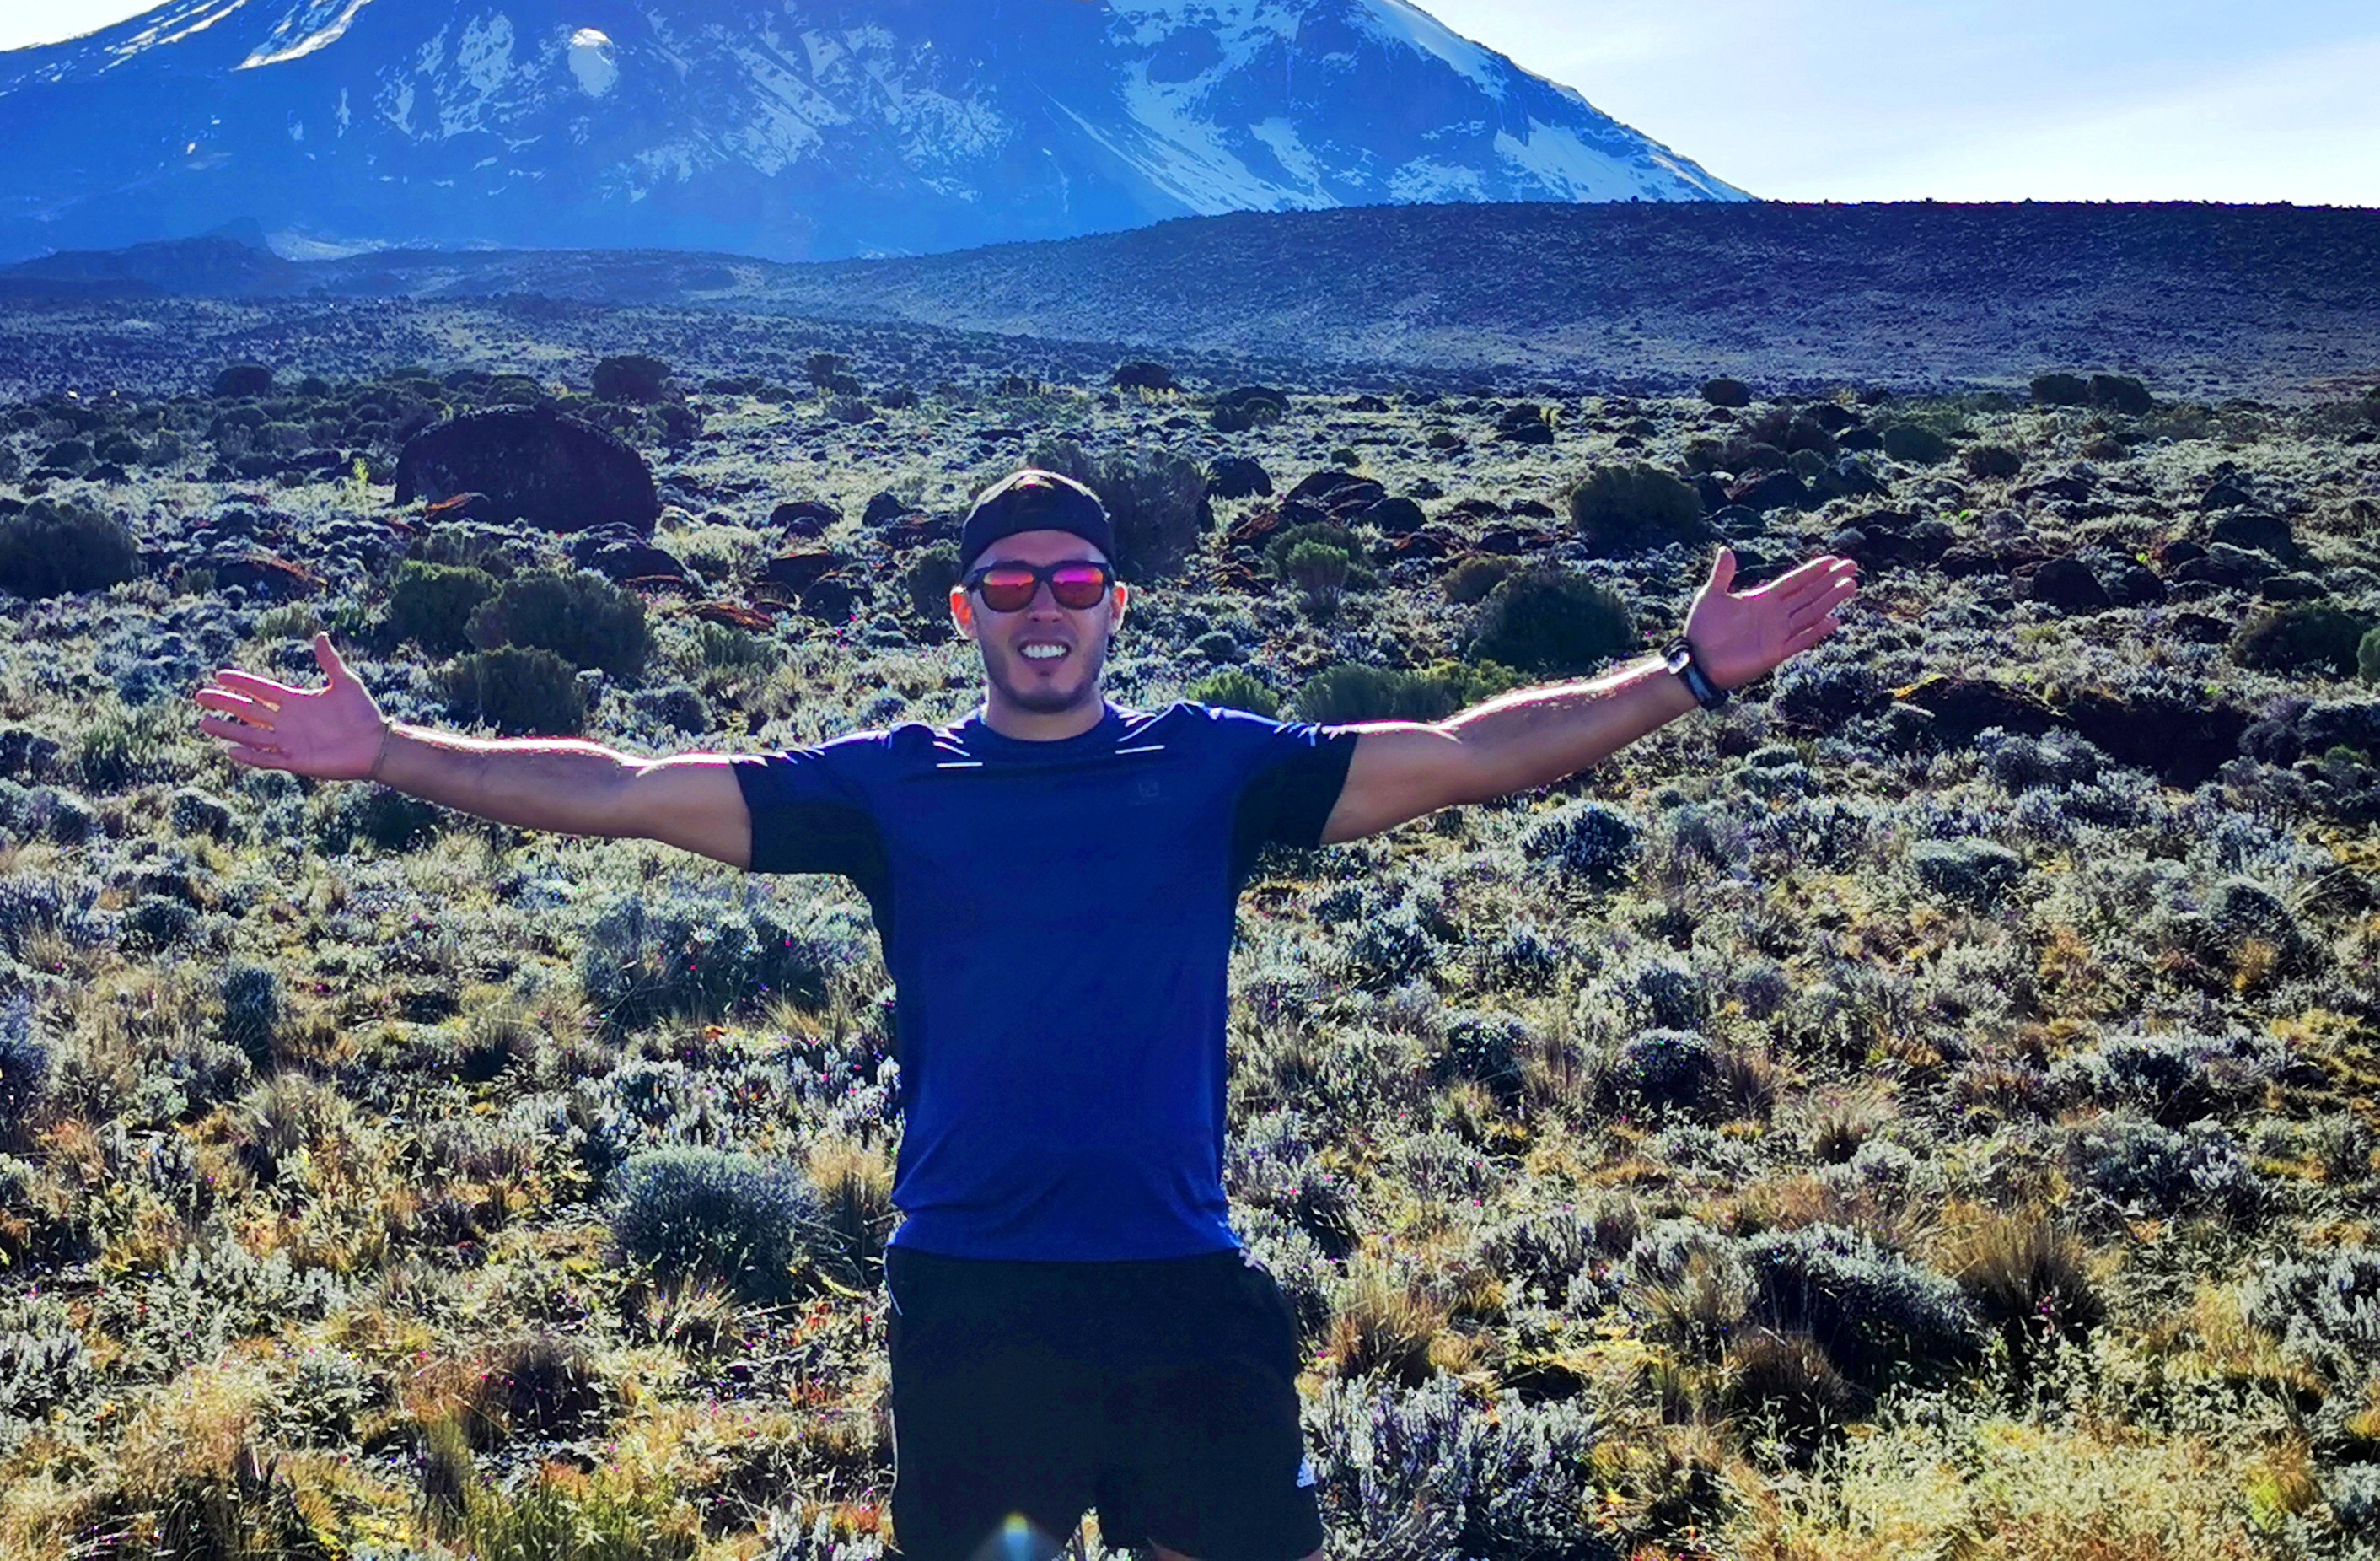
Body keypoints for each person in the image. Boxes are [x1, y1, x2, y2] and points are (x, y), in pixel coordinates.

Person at [195, 468, 1860, 1561]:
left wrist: (1684, 677)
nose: (1044, 604)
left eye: (1074, 577)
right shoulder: (893, 789)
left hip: (1180, 1285)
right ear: (967, 614)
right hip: (977, 1295)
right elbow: (630, 782)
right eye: (1009, 584)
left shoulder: (1212, 764)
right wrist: (397, 748)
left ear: (1113, 607)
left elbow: (1468, 749)